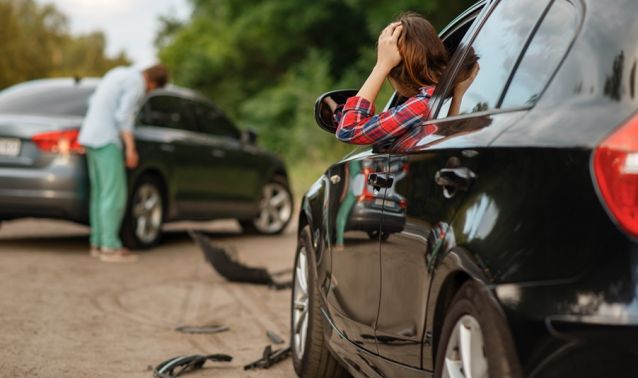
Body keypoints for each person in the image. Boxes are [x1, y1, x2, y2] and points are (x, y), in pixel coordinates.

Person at [334, 12, 479, 145]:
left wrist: (381, 66)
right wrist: (457, 96)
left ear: (395, 73)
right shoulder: (437, 99)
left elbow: (348, 130)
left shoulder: (421, 105)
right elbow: (446, 139)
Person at [78, 64, 169, 262]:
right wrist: (130, 148)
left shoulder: (117, 73)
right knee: (114, 194)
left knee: (100, 194)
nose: (148, 92)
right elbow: (124, 116)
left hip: (89, 136)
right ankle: (110, 246)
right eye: (152, 89)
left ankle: (98, 243)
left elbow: (92, 100)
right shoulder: (136, 84)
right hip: (107, 139)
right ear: (152, 82)